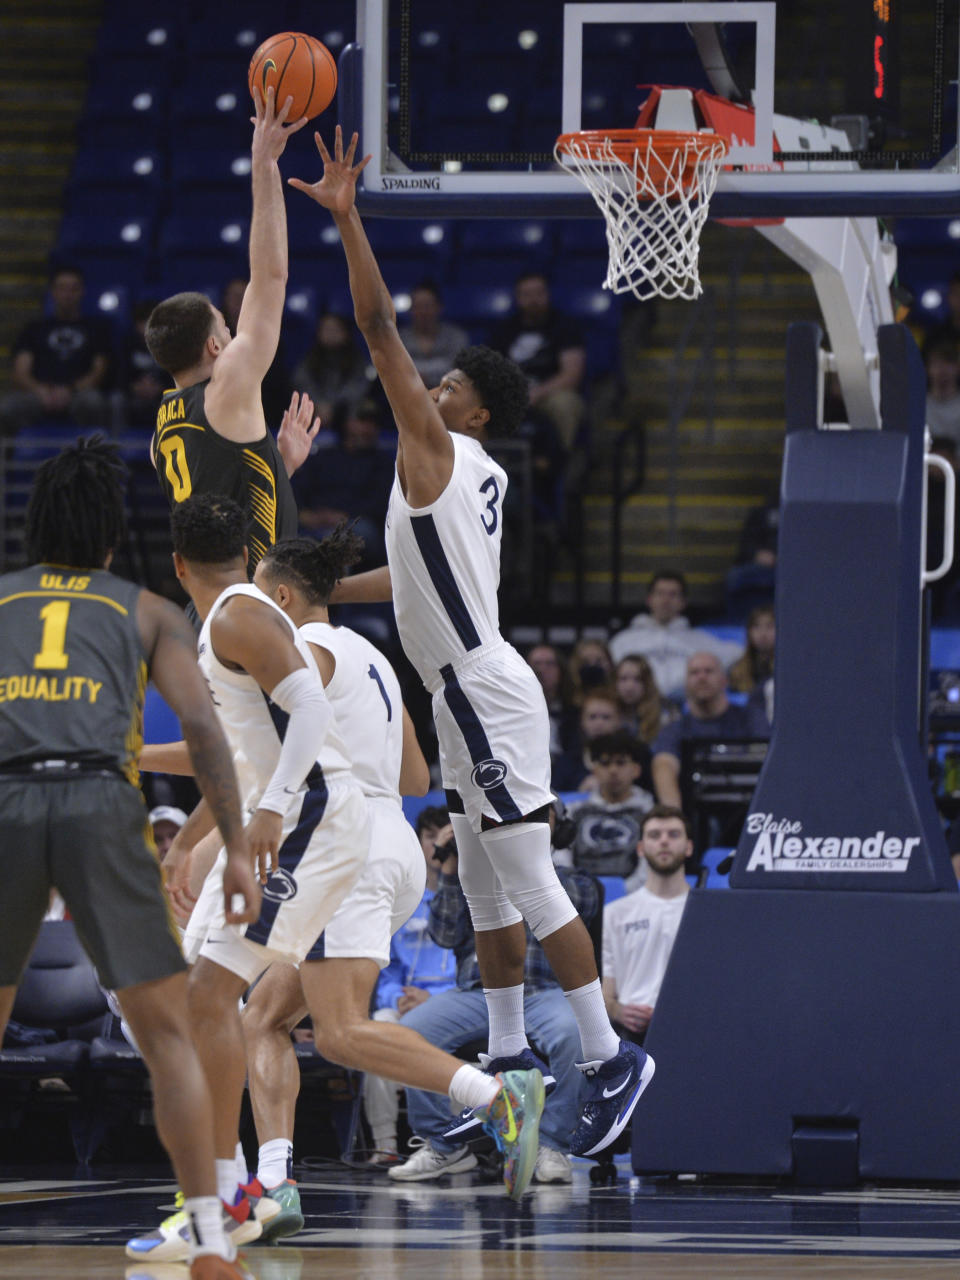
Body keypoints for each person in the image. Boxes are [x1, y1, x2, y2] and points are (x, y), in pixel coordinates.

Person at [288, 125, 654, 1159]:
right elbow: (401, 583)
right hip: (458, 687)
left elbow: (372, 324)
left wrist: (350, 218)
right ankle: (504, 1070)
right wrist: (321, 584)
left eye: (446, 383)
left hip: (482, 687)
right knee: (483, 888)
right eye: (431, 383)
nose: (429, 386)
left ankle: (606, 1056)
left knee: (530, 878)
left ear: (473, 407)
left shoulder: (443, 448)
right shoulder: (462, 477)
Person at [0, 439, 259, 1280]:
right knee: (167, 1038)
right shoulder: (147, 609)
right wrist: (241, 842)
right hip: (102, 803)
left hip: (10, 800)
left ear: (32, 533)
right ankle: (211, 1241)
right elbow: (206, 731)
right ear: (113, 542)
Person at [143, 87, 312, 575]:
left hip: (212, 602)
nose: (237, 332)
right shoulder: (227, 385)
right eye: (227, 324)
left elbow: (217, 502)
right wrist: (265, 165)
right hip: (248, 602)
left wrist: (278, 466)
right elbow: (270, 276)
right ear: (216, 347)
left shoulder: (162, 428)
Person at [388, 822, 597, 1186]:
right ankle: (444, 1144)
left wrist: (517, 858)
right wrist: (453, 868)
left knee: (573, 1034)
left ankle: (552, 1144)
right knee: (410, 1033)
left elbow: (579, 905)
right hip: (476, 992)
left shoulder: (572, 880)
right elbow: (445, 934)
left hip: (544, 991)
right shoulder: (473, 877)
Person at [361, 805, 461, 1165]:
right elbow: (385, 974)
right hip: (404, 1002)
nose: (437, 844)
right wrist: (400, 998)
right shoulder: (400, 903)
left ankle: (454, 1138)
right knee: (377, 1033)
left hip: (454, 1002)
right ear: (417, 843)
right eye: (430, 836)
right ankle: (386, 1144)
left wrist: (431, 1000)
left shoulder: (471, 899)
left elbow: (476, 976)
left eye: (445, 835)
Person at [602, 806, 691, 1045]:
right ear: (640, 848)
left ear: (689, 846)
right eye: (654, 835)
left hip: (691, 1025)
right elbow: (606, 993)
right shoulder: (614, 914)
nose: (664, 841)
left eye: (673, 834)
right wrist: (617, 1011)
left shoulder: (708, 912)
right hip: (632, 1033)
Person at [0, 265, 112, 434]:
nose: (68, 294)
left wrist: (70, 390)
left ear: (82, 292)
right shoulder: (34, 329)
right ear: (52, 292)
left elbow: (99, 370)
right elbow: (20, 372)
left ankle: (92, 456)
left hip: (78, 394)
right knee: (7, 407)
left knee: (94, 402)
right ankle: (11, 456)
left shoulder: (96, 329)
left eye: (73, 289)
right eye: (62, 288)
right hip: (39, 394)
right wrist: (40, 390)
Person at [651, 652, 770, 808]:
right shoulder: (675, 729)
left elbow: (767, 759)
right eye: (694, 672)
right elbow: (664, 764)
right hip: (695, 812)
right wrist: (674, 816)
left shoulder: (751, 718)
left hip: (750, 807)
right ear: (686, 683)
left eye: (708, 671)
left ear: (724, 681)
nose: (702, 677)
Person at [488, 270, 586, 451]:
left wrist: (537, 393)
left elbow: (571, 375)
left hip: (550, 393)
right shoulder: (505, 329)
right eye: (527, 294)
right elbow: (492, 372)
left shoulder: (564, 326)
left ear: (547, 294)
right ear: (518, 298)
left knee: (566, 404)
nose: (533, 300)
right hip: (513, 393)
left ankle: (561, 465)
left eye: (538, 293)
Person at [608, 571, 743, 701]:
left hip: (688, 709)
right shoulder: (623, 640)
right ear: (649, 599)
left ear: (683, 602)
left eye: (673, 595)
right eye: (660, 593)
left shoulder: (700, 639)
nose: (666, 600)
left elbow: (738, 653)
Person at [292, 398, 394, 563]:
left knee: (349, 537)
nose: (368, 429)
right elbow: (297, 489)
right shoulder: (323, 457)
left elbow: (381, 504)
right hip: (314, 520)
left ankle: (338, 586)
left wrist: (341, 517)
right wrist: (305, 514)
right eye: (361, 421)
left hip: (356, 523)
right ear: (346, 423)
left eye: (372, 423)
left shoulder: (383, 463)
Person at [558, 730, 655, 888]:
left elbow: (648, 866)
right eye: (605, 763)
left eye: (621, 763)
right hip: (580, 896)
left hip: (632, 896)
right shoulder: (573, 812)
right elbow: (561, 859)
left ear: (636, 770)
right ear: (594, 770)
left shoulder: (650, 814)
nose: (613, 770)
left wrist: (620, 892)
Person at [220, 276, 293, 429]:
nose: (238, 301)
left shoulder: (269, 334)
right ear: (225, 300)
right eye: (234, 296)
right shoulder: (215, 336)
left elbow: (276, 379)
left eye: (243, 296)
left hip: (263, 407)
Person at [551, 687, 642, 793]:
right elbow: (555, 800)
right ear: (582, 722)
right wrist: (579, 793)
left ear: (619, 721)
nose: (599, 723)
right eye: (592, 717)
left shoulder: (636, 756)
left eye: (606, 717)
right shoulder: (566, 762)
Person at [292, 310, 372, 423]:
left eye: (335, 330)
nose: (331, 334)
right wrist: (318, 404)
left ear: (345, 333)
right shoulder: (310, 359)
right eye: (326, 330)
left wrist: (334, 406)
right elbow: (302, 382)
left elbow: (359, 386)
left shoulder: (357, 359)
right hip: (314, 410)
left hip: (344, 412)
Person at [399, 281, 470, 390]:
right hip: (407, 395)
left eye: (427, 306)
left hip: (448, 395)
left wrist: (420, 374)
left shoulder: (456, 336)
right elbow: (398, 370)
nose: (423, 312)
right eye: (418, 306)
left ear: (439, 307)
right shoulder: (399, 338)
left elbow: (456, 370)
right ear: (411, 309)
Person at [525, 643, 579, 764]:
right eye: (536, 664)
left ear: (561, 670)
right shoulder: (515, 710)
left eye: (550, 664)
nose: (542, 669)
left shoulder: (574, 712)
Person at [614, 653, 670, 744]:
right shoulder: (607, 710)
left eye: (637, 679)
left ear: (647, 683)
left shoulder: (665, 715)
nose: (629, 687)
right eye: (623, 679)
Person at [727, 604, 775, 693]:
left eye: (769, 626)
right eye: (756, 626)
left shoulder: (784, 670)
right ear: (748, 631)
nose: (763, 633)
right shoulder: (736, 670)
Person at [925, 339, 960, 443]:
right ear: (928, 369)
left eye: (948, 364)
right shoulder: (918, 406)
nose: (942, 370)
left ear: (957, 367)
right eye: (936, 363)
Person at [566, 637, 615, 707]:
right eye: (585, 662)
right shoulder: (567, 700)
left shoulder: (619, 699)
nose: (592, 667)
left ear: (610, 664)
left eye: (599, 661)